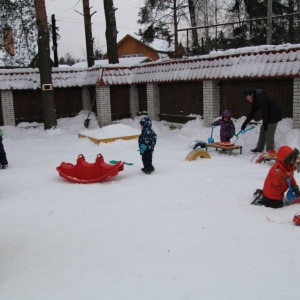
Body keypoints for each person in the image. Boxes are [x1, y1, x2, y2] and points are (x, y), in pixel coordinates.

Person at [241, 88, 282, 153]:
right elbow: (252, 112)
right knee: (262, 130)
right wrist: (245, 123)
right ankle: (259, 148)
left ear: (251, 95)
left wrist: (265, 123)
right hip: (269, 114)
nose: (246, 98)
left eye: (246, 96)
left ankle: (270, 152)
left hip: (274, 115)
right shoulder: (255, 100)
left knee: (269, 133)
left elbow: (265, 111)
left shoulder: (261, 98)